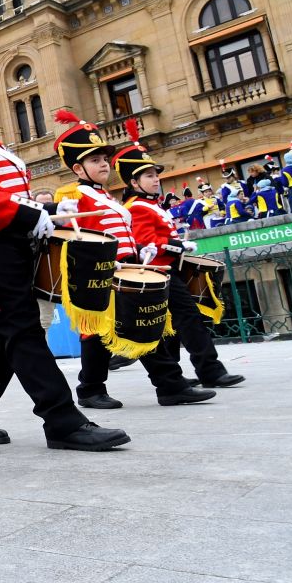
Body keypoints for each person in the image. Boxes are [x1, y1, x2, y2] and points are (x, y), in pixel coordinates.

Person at [0, 6, 129, 451]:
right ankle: (62, 421)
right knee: (23, 331)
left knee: (10, 332)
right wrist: (30, 216)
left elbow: (5, 195)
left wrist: (44, 209)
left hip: (9, 243)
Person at [51, 111, 213, 410]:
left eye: (104, 159)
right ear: (78, 168)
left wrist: (141, 250)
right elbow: (71, 236)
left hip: (127, 268)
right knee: (110, 331)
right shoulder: (73, 195)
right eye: (95, 160)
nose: (104, 164)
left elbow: (120, 233)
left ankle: (160, 386)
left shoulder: (106, 197)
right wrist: (100, 262)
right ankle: (101, 389)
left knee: (140, 327)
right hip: (99, 273)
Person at [114, 129, 246, 390]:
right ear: (134, 182)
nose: (156, 179)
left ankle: (178, 375)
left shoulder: (151, 204)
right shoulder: (136, 207)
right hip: (157, 270)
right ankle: (210, 370)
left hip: (167, 268)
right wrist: (177, 246)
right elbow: (146, 243)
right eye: (149, 176)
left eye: (156, 174)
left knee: (172, 323)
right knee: (188, 317)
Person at [30, 189, 58, 333]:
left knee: (45, 322)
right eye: (42, 205)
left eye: (49, 204)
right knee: (41, 323)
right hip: (33, 282)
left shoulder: (61, 228)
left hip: (51, 282)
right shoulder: (28, 228)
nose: (47, 208)